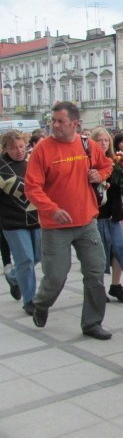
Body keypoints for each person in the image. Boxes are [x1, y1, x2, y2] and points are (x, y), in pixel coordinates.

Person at [24, 101, 113, 340]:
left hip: (86, 222)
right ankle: (41, 304)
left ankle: (92, 323)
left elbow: (106, 164)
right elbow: (32, 188)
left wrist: (100, 174)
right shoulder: (43, 149)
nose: (54, 125)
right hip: (55, 226)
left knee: (95, 273)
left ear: (75, 123)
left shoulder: (87, 145)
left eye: (59, 121)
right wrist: (52, 209)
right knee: (56, 276)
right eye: (53, 120)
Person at [0, 130, 40, 314]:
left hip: (35, 219)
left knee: (37, 257)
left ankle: (14, 277)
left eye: (22, 146)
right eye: (14, 147)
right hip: (13, 222)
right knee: (26, 259)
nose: (19, 150)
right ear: (6, 148)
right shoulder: (2, 167)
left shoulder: (31, 163)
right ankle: (29, 300)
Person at [91, 127, 123, 304]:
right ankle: (97, 287)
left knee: (119, 249)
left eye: (106, 140)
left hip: (113, 211)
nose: (103, 143)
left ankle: (116, 285)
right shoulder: (89, 162)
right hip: (96, 214)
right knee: (98, 253)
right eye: (99, 140)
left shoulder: (116, 160)